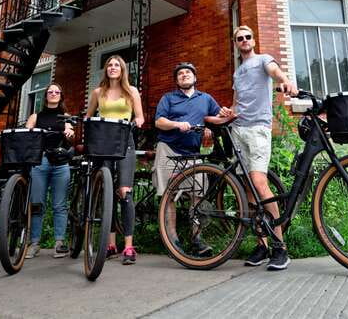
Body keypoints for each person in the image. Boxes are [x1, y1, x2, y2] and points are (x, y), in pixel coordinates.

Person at [220, 25, 297, 271]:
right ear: (235, 43)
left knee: (260, 183)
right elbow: (236, 102)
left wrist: (285, 80)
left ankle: (280, 247)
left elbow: (275, 71)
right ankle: (261, 244)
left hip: (258, 129)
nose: (244, 40)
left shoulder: (263, 60)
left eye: (247, 37)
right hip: (238, 129)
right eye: (239, 38)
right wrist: (228, 114)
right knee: (248, 190)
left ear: (253, 40)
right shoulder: (238, 72)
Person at [153, 62, 233, 256]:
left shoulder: (205, 98)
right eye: (180, 73)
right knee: (169, 195)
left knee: (198, 194)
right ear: (177, 80)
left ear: (195, 78)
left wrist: (221, 120)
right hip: (168, 149)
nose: (184, 75)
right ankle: (172, 240)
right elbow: (159, 121)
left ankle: (197, 239)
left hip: (193, 153)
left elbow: (215, 118)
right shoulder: (168, 98)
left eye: (188, 72)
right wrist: (176, 124)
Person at [85, 55, 144, 265]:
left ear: (123, 70)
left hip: (124, 141)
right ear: (106, 70)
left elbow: (140, 116)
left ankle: (128, 246)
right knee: (107, 191)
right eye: (109, 65)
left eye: (116, 65)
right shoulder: (98, 92)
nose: (112, 68)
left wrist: (137, 122)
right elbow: (89, 117)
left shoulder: (132, 91)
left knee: (124, 192)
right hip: (103, 144)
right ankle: (110, 244)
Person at [25, 83, 75, 259]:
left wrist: (69, 131)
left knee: (60, 205)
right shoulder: (35, 116)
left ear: (61, 96)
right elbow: (27, 135)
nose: (53, 94)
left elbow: (71, 131)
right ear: (45, 96)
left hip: (61, 163)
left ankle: (59, 243)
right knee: (37, 204)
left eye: (57, 92)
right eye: (50, 92)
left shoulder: (65, 117)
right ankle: (34, 243)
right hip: (41, 161)